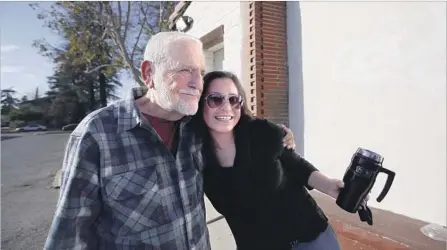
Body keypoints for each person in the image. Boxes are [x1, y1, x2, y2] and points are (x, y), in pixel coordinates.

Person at [43, 31, 295, 250]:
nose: (198, 83)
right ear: (148, 72)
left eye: (201, 72)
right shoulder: (97, 134)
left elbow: (238, 123)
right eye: (185, 70)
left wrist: (277, 133)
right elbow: (70, 234)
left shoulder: (197, 125)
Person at [193, 70, 351, 250]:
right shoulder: (193, 152)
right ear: (201, 103)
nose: (226, 107)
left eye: (233, 99)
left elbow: (296, 165)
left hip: (310, 240)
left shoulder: (262, 132)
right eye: (215, 99)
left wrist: (330, 185)